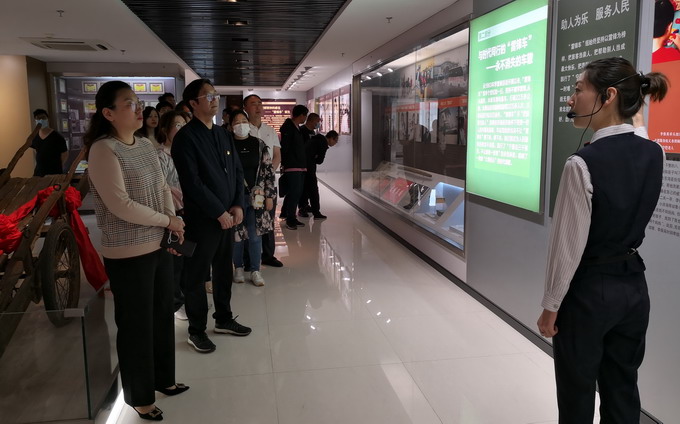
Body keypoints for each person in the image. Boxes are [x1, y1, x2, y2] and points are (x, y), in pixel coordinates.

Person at [536, 57, 668, 423]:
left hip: (588, 293)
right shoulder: (655, 152)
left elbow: (567, 246)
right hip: (634, 288)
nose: (571, 99)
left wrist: (550, 305)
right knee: (622, 388)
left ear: (608, 96)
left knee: (576, 394)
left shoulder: (581, 163)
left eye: (578, 89)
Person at [86, 81, 189, 421]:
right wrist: (167, 220)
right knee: (136, 324)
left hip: (158, 243)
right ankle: (140, 396)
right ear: (108, 113)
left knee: (162, 314)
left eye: (138, 101)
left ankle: (164, 378)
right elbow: (120, 204)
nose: (139, 108)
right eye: (129, 103)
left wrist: (172, 222)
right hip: (127, 251)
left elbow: (162, 186)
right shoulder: (103, 150)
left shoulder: (145, 144)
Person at [172, 79, 251, 354]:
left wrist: (238, 205)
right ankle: (196, 330)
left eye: (215, 94)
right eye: (208, 96)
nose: (214, 99)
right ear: (193, 103)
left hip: (228, 217)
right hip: (202, 220)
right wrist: (218, 212)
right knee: (196, 275)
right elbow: (192, 183)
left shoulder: (222, 134)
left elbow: (237, 171)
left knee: (223, 270)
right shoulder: (185, 138)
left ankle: (224, 318)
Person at [229, 109, 275, 286]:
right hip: (235, 198)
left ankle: (255, 270)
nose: (240, 125)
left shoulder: (259, 144)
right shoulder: (227, 145)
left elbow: (268, 171)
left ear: (249, 124)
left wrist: (269, 195)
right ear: (231, 126)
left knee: (255, 235)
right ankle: (238, 268)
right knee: (237, 235)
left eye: (243, 121)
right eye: (236, 122)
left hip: (257, 197)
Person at [244, 94, 283, 267]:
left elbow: (277, 155)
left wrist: (266, 176)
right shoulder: (243, 129)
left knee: (268, 218)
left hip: (267, 184)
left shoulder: (270, 130)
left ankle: (268, 255)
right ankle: (247, 259)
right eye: (253, 103)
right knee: (248, 221)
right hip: (248, 184)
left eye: (260, 103)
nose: (258, 106)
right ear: (245, 108)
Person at [157, 110, 189, 320]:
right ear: (165, 130)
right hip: (172, 213)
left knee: (185, 258)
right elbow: (160, 188)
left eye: (184, 124)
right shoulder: (160, 156)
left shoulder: (186, 152)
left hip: (188, 212)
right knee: (174, 260)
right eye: (177, 125)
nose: (182, 129)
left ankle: (183, 298)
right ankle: (175, 303)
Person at [299, 118, 337, 219]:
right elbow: (320, 160)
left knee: (305, 188)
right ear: (331, 138)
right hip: (309, 167)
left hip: (303, 166)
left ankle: (304, 207)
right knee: (313, 190)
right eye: (335, 141)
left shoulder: (316, 138)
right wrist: (315, 157)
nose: (335, 143)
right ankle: (316, 212)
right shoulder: (322, 143)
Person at [279, 104, 308, 230]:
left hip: (299, 165)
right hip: (292, 166)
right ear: (301, 115)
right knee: (294, 193)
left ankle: (289, 215)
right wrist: (284, 164)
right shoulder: (288, 128)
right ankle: (290, 219)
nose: (305, 118)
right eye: (305, 116)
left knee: (296, 193)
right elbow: (284, 148)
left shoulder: (296, 128)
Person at [30, 109, 68, 176]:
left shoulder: (57, 137)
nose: (41, 120)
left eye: (43, 117)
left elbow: (65, 154)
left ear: (47, 119)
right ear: (35, 120)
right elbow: (35, 151)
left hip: (54, 173)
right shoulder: (35, 137)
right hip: (39, 173)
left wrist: (58, 165)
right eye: (38, 118)